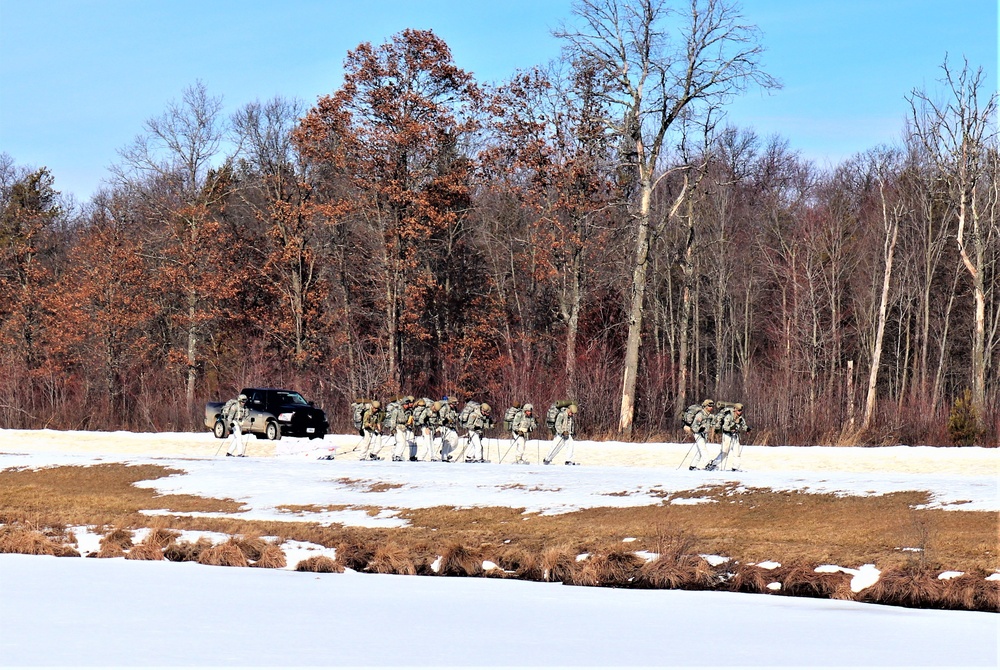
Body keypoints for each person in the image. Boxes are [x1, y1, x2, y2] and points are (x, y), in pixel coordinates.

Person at [705, 403, 750, 471]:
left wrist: (747, 429)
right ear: (735, 410)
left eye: (741, 410)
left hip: (735, 436)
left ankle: (735, 468)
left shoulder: (740, 418)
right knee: (724, 453)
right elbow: (725, 427)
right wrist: (731, 428)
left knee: (737, 452)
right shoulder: (728, 416)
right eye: (739, 410)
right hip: (727, 435)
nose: (740, 412)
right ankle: (713, 464)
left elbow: (743, 425)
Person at [688, 399, 715, 470]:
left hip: (704, 434)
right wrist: (699, 429)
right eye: (709, 406)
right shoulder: (700, 414)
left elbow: (713, 424)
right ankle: (708, 464)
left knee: (700, 451)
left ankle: (693, 466)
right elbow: (694, 426)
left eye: (712, 406)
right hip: (698, 434)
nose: (711, 407)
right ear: (705, 406)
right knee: (703, 448)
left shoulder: (710, 415)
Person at [389, 396, 414, 462]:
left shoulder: (409, 411)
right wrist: (392, 428)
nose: (407, 405)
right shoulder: (396, 410)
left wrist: (409, 424)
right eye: (405, 404)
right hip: (397, 427)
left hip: (404, 428)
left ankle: (397, 455)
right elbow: (393, 420)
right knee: (401, 441)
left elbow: (409, 420)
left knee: (403, 442)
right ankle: (397, 455)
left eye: (407, 404)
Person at [437, 397, 459, 461]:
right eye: (454, 403)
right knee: (446, 441)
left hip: (452, 427)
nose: (455, 405)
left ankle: (445, 452)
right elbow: (440, 418)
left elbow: (455, 417)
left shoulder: (454, 409)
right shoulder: (444, 408)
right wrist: (444, 421)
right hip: (444, 427)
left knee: (455, 441)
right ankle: (444, 457)